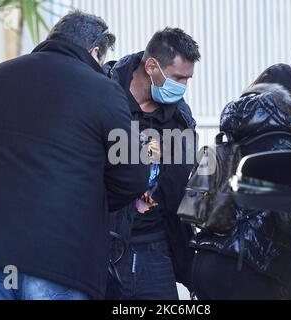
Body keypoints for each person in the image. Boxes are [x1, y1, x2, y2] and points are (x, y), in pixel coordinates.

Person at [0, 11, 149, 300]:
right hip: (60, 259)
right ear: (95, 51)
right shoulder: (105, 91)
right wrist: (86, 203)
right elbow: (134, 176)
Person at [190, 64, 291, 300]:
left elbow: (196, 208)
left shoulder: (231, 133)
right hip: (247, 270)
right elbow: (290, 218)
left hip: (205, 259)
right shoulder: (289, 142)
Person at [104, 27, 200, 300]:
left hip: (156, 246)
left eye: (187, 79)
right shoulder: (105, 95)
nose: (182, 87)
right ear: (151, 66)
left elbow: (183, 183)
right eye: (178, 77)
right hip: (100, 245)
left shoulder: (179, 114)